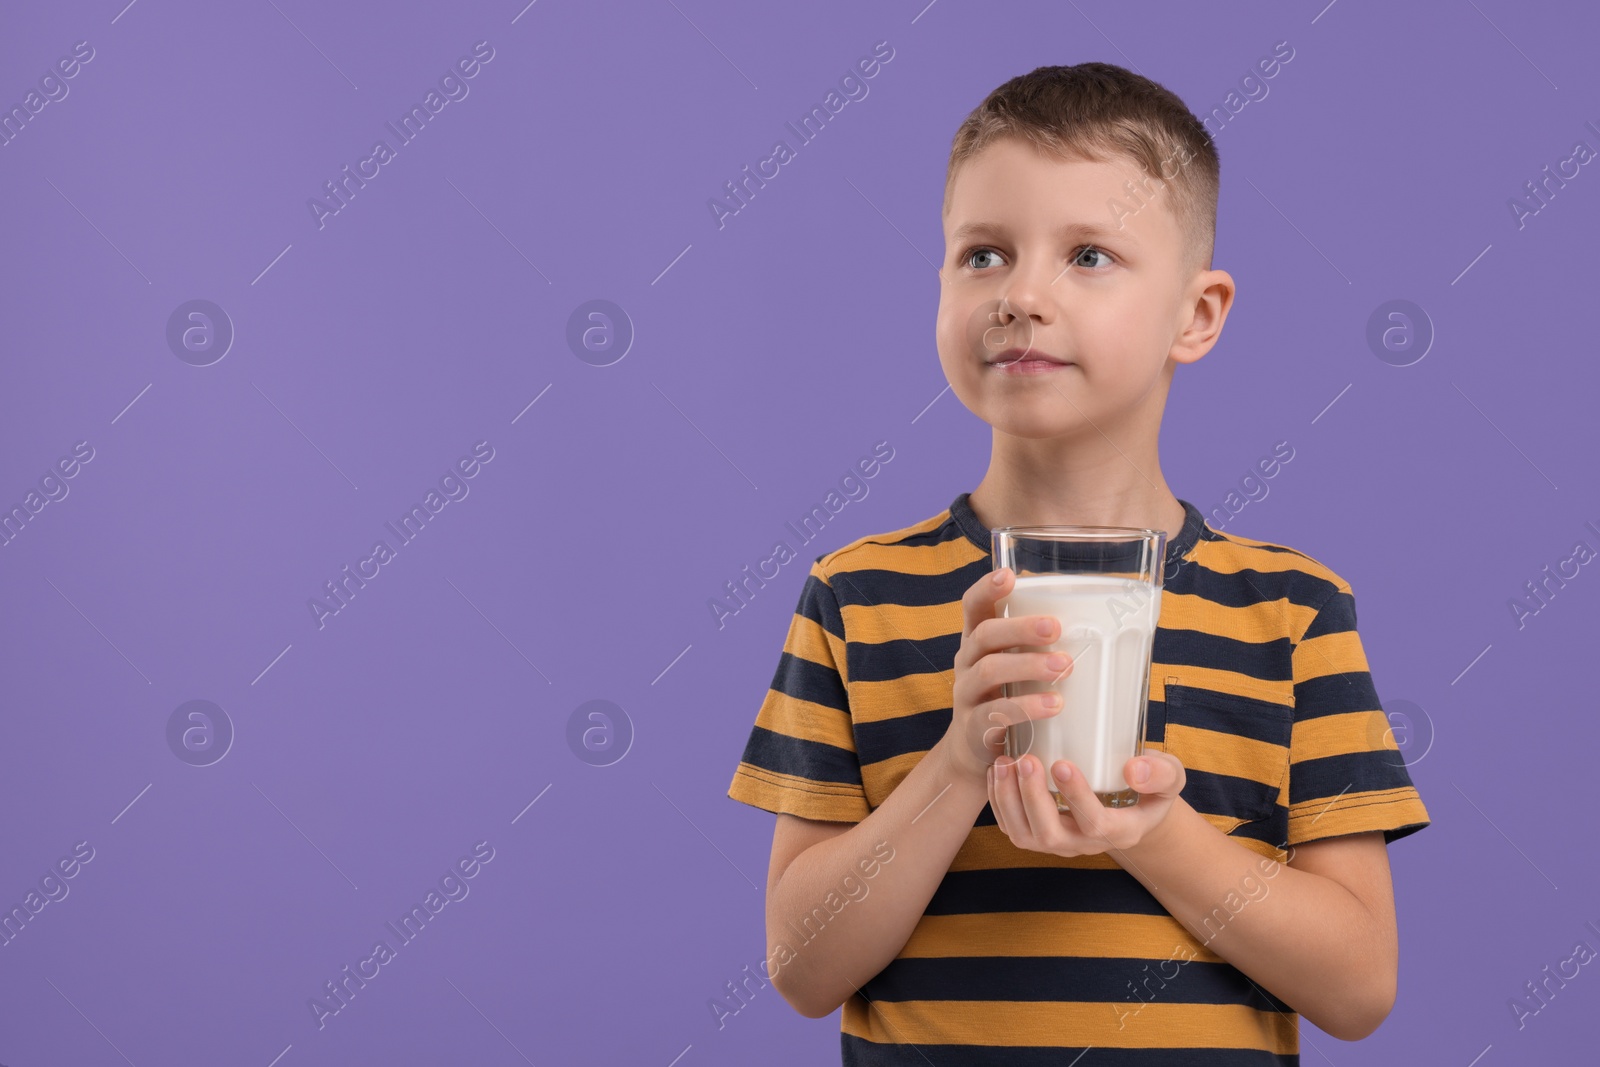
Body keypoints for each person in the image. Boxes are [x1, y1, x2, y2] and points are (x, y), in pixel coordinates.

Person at [725, 61, 1430, 1064]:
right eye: (982, 255)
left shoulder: (1292, 610)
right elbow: (802, 964)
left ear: (1197, 313)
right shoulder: (857, 596)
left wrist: (1151, 832)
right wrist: (957, 763)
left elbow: (1357, 986)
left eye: (1088, 255)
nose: (1020, 294)